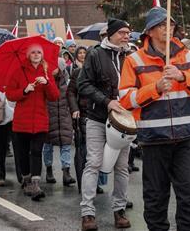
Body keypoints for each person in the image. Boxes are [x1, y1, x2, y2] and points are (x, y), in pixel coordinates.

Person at [119, 8, 190, 231]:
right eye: (162, 25)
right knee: (156, 199)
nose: (168, 29)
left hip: (187, 137)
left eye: (170, 24)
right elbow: (125, 100)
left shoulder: (188, 56)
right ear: (149, 31)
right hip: (153, 139)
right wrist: (155, 88)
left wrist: (183, 77)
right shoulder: (134, 60)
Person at [77, 19, 132, 230]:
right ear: (110, 34)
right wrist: (107, 101)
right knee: (93, 163)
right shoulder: (95, 54)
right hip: (97, 118)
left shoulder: (130, 56)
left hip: (123, 121)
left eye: (128, 32)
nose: (126, 36)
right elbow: (83, 84)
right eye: (122, 32)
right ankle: (88, 213)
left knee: (122, 167)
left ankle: (119, 210)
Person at [6, 43, 60, 201]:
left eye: (39, 52)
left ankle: (35, 184)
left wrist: (47, 83)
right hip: (22, 120)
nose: (36, 55)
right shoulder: (18, 71)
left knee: (36, 151)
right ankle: (26, 179)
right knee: (23, 153)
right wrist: (24, 90)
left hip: (40, 120)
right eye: (33, 52)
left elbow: (54, 96)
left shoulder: (46, 72)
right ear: (28, 55)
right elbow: (10, 94)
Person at [43, 57, 75, 187]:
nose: (53, 69)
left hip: (64, 117)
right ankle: (49, 170)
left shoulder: (67, 83)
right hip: (49, 117)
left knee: (66, 145)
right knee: (48, 146)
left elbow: (72, 98)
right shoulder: (45, 81)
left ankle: (66, 172)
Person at [66, 46, 89, 190]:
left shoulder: (99, 73)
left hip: (97, 115)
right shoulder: (77, 72)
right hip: (81, 114)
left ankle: (95, 182)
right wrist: (74, 109)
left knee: (95, 152)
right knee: (82, 149)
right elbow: (70, 93)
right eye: (79, 53)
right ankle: (82, 183)